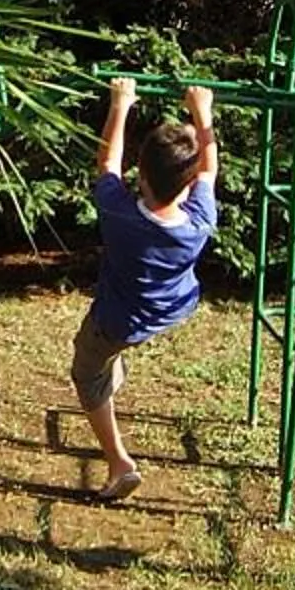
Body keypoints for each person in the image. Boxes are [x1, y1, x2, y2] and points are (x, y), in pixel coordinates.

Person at [71, 78, 219, 503]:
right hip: (173, 309)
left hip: (116, 322)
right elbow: (208, 168)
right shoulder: (198, 222)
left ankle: (120, 464)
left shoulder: (120, 214)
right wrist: (201, 112)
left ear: (141, 169)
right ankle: (112, 374)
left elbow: (107, 164)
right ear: (189, 183)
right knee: (105, 355)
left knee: (86, 372)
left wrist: (120, 103)